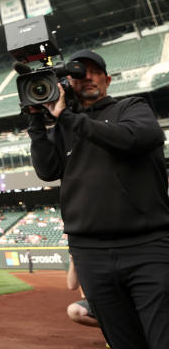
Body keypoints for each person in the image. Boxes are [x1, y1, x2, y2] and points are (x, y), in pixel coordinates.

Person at [28, 49, 169, 349]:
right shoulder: (67, 126)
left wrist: (66, 116)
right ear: (68, 83)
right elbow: (47, 169)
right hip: (90, 253)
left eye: (93, 72)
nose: (87, 77)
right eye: (78, 73)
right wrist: (36, 123)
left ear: (107, 79)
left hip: (146, 247)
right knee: (123, 342)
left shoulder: (132, 107)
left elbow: (136, 138)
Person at [65, 258, 101, 329]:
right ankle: (110, 327)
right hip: (99, 302)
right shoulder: (81, 258)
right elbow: (72, 286)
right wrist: (72, 260)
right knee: (73, 310)